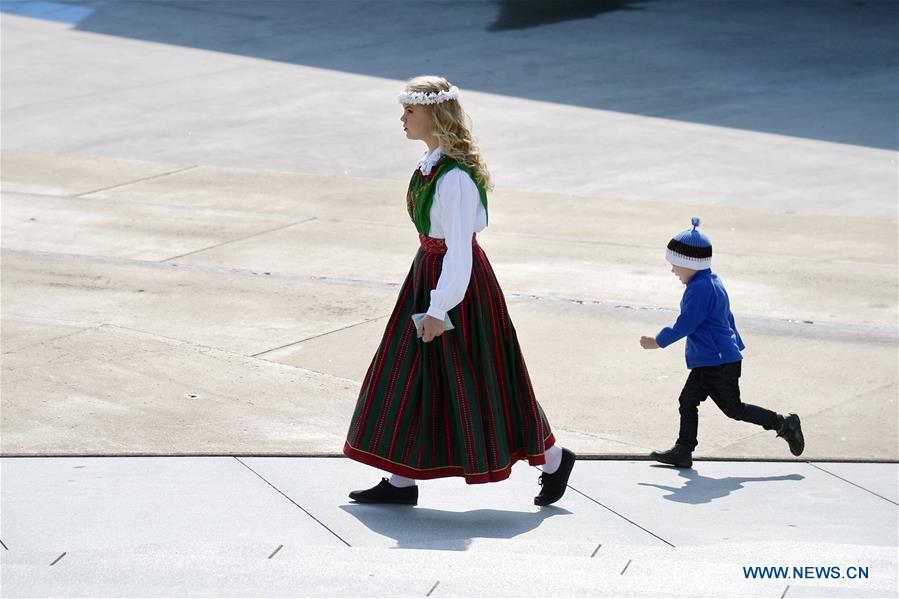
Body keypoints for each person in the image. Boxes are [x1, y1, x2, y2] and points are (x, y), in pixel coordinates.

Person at [343, 76, 575, 506]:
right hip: (428, 274)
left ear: (434, 115)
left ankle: (554, 459)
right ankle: (400, 481)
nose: (403, 118)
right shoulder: (431, 165)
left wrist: (439, 308)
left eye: (410, 111)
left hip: (456, 287)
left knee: (483, 381)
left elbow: (460, 251)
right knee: (411, 374)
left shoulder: (455, 179)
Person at [639, 218, 805, 468]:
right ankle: (683, 450)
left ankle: (783, 424)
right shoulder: (712, 281)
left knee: (734, 409)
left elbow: (686, 324)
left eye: (675, 265)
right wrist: (735, 345)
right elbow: (727, 317)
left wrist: (658, 341)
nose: (673, 270)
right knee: (688, 401)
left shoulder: (699, 289)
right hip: (715, 359)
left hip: (717, 363)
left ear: (690, 263)